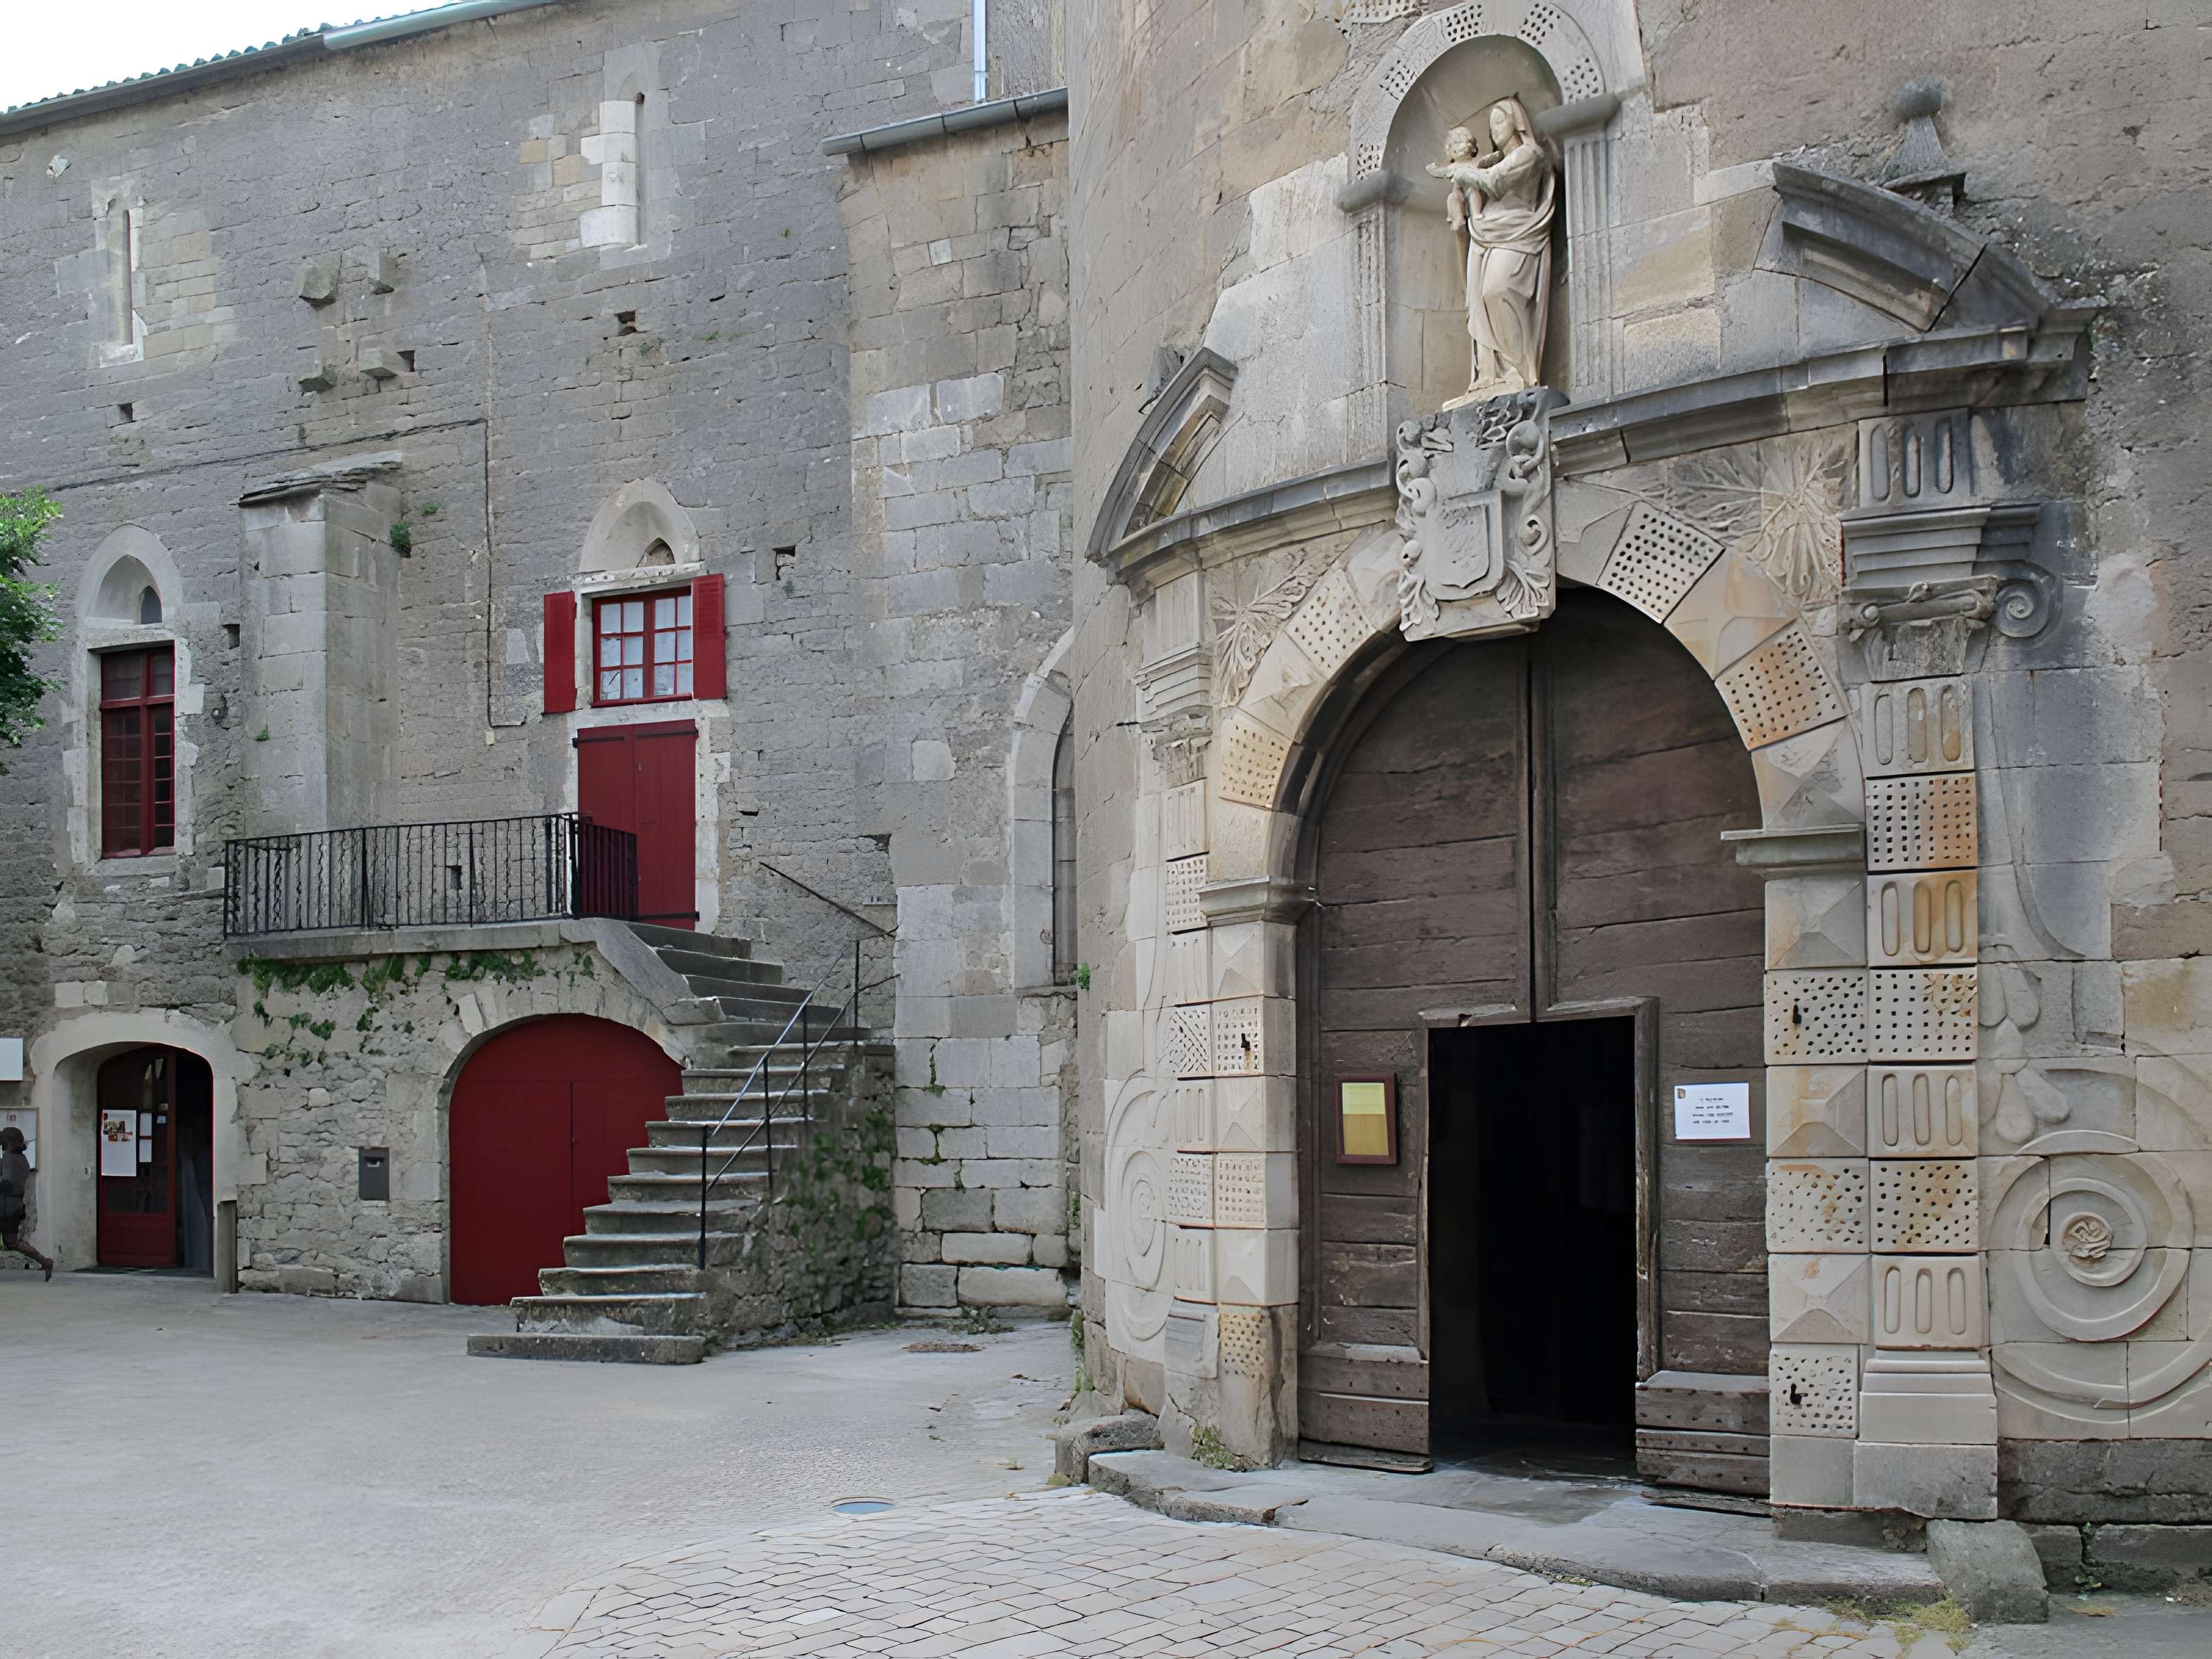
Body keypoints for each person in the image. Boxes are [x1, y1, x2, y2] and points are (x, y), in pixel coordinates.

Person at [1427, 97, 1557, 400]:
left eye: (1499, 121)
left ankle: (1519, 372)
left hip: (1518, 233)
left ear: (1516, 122)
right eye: (1490, 126)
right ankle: (1492, 374)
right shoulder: (1496, 160)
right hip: (1487, 233)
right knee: (1482, 301)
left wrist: (1453, 171)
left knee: (1499, 291)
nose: (1494, 130)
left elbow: (1495, 182)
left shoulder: (1529, 155)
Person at [0, 1125, 53, 1280]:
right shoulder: (17, 1159)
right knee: (12, 1242)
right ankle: (45, 1261)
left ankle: (45, 1261)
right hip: (12, 1207)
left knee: (12, 1242)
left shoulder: (12, 1159)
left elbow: (8, 1185)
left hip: (7, 1206)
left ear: (9, 1142)